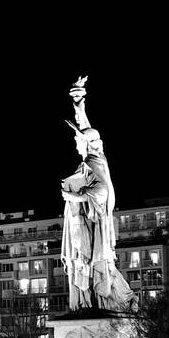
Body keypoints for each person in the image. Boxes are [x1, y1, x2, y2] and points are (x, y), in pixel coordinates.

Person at [59, 77, 136, 313]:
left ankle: (105, 300)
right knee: (85, 265)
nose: (75, 142)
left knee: (93, 265)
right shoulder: (91, 160)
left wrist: (74, 197)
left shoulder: (96, 162)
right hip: (84, 226)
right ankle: (90, 301)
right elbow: (84, 129)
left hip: (93, 228)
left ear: (87, 144)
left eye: (78, 141)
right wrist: (79, 101)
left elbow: (101, 192)